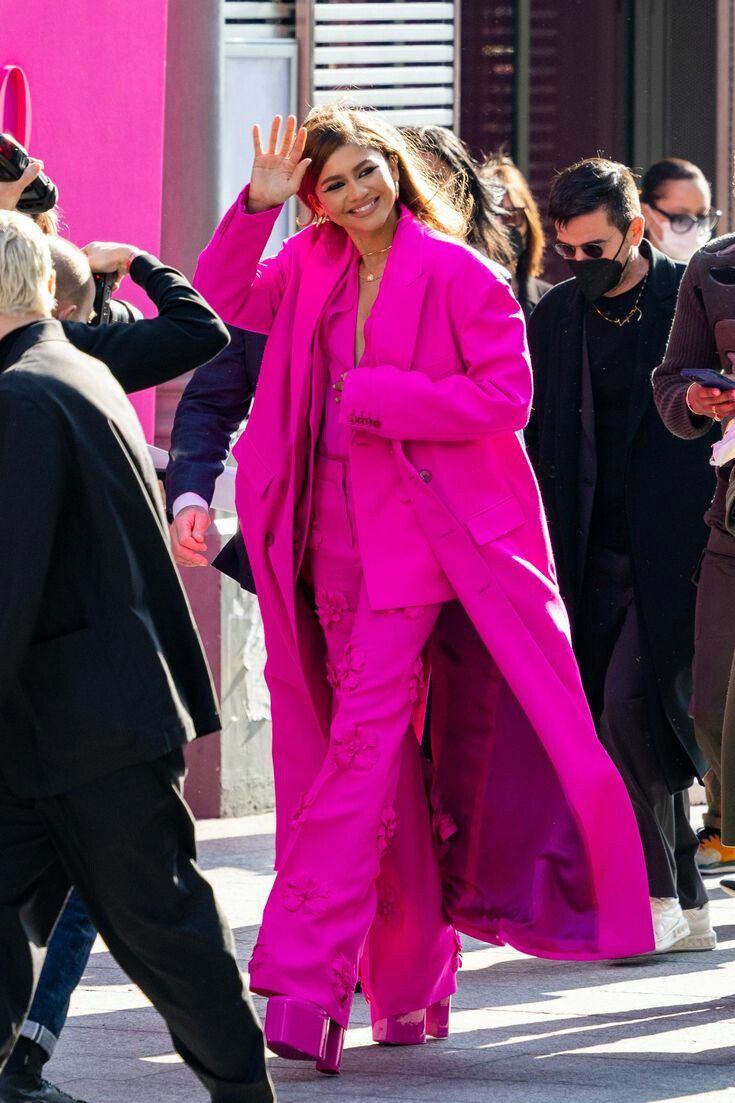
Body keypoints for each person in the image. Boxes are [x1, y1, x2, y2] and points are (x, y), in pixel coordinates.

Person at [190, 106, 653, 1074]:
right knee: (367, 763)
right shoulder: (308, 261)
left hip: (418, 557)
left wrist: (381, 394)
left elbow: (505, 398)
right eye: (335, 185)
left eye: (367, 171)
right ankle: (405, 989)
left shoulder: (459, 270)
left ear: (393, 165)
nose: (359, 193)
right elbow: (222, 296)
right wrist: (255, 207)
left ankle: (307, 980)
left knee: (354, 757)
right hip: (315, 554)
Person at [0, 213, 274, 1103]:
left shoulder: (26, 393)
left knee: (161, 923)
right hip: (72, 714)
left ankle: (242, 1090)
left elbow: (12, 571)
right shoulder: (61, 369)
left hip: (89, 725)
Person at [526, 157, 718, 953]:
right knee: (622, 723)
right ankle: (691, 904)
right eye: (566, 251)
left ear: (636, 228)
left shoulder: (688, 296)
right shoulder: (557, 315)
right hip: (584, 551)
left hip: (678, 547)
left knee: (629, 708)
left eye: (595, 250)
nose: (579, 266)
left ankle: (655, 894)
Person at [652, 231, 735, 881]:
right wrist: (695, 400)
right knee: (710, 707)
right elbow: (671, 379)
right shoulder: (711, 267)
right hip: (729, 520)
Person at [402, 125, 514, 268]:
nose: (421, 193)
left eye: (434, 180)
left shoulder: (483, 263)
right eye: (411, 183)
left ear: (462, 184)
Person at [482, 155, 551, 316]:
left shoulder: (551, 302)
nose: (500, 227)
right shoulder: (459, 298)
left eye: (510, 217)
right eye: (491, 217)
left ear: (528, 222)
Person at [640, 158, 721, 263]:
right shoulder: (626, 276)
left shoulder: (720, 275)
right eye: (681, 218)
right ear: (645, 213)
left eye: (702, 216)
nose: (694, 230)